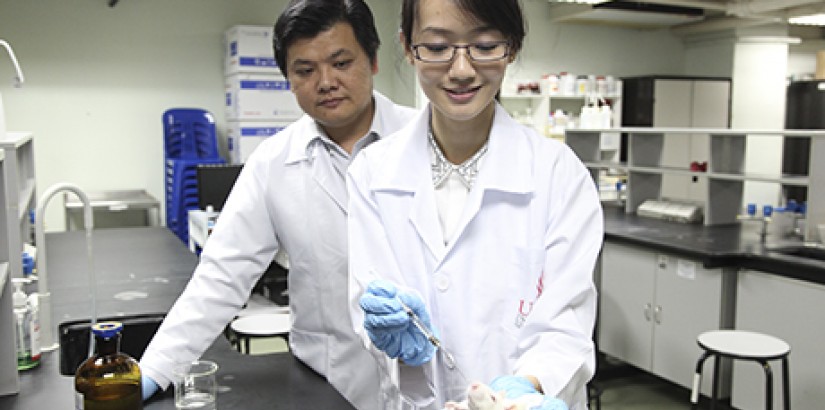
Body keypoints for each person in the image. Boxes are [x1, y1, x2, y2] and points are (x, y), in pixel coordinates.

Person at [139, 1, 416, 409]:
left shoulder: (427, 141)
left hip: (428, 383)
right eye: (305, 70)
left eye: (341, 62)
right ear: (288, 79)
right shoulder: (273, 163)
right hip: (326, 385)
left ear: (373, 61)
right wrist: (152, 371)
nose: (326, 81)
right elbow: (220, 277)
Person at [346, 0, 603, 409]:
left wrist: (529, 388)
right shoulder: (373, 173)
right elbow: (369, 301)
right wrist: (390, 333)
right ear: (408, 48)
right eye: (436, 46)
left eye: (484, 45)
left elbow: (565, 319)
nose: (462, 69)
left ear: (512, 48)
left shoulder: (559, 175)